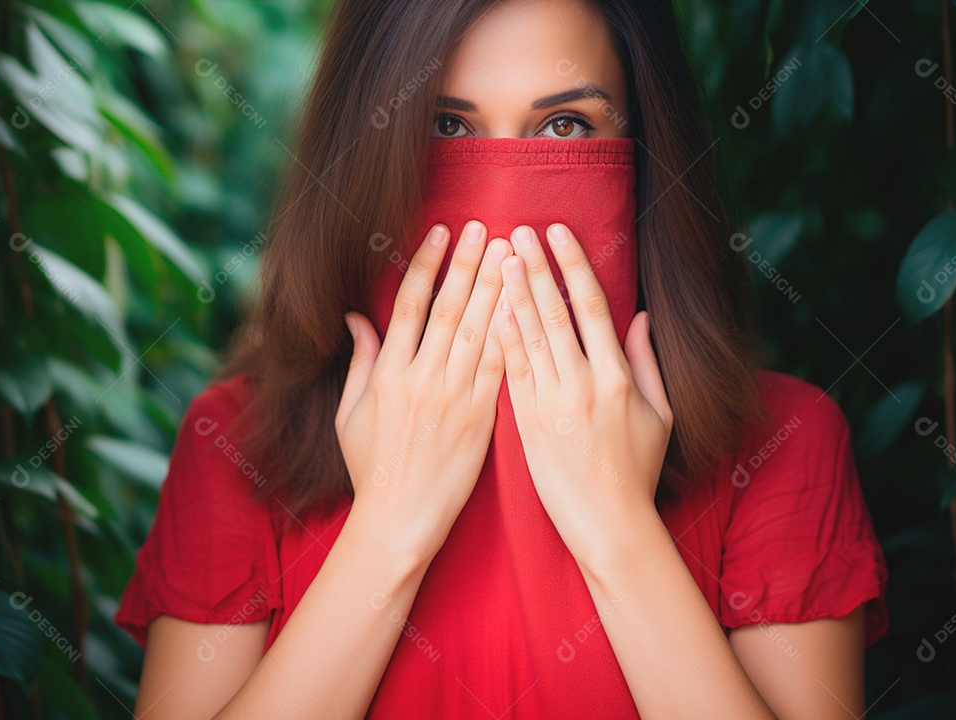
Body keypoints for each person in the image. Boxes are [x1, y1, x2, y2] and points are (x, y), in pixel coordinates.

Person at [114, 1, 889, 718]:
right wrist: (389, 529)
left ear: (653, 159)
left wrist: (616, 527)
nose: (502, 196)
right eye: (447, 129)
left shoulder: (785, 445)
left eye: (564, 129)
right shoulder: (235, 447)